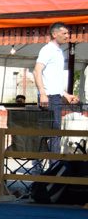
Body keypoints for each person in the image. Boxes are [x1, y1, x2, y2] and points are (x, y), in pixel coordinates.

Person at [34, 22, 78, 152]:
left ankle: (49, 162)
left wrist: (66, 95)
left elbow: (53, 80)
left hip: (55, 96)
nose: (67, 36)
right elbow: (37, 71)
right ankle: (50, 162)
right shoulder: (48, 50)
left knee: (53, 132)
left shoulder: (58, 52)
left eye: (68, 33)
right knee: (52, 133)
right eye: (64, 33)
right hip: (49, 97)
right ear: (54, 34)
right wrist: (43, 93)